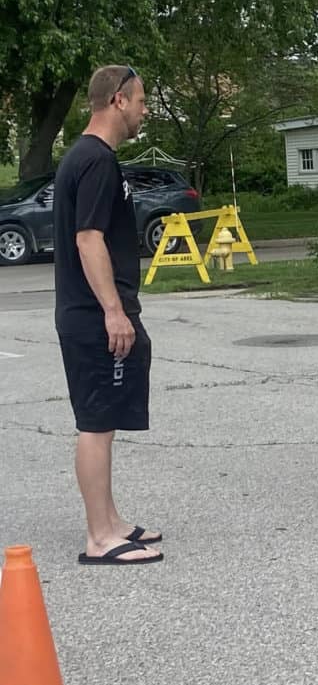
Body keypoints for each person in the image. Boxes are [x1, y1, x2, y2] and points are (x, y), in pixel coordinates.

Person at [53, 64, 163, 566]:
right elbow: (88, 238)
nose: (145, 109)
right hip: (93, 315)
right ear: (118, 100)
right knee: (95, 423)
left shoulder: (88, 157)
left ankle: (112, 522)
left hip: (90, 312)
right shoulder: (95, 161)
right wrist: (113, 312)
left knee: (104, 421)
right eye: (141, 100)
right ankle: (99, 538)